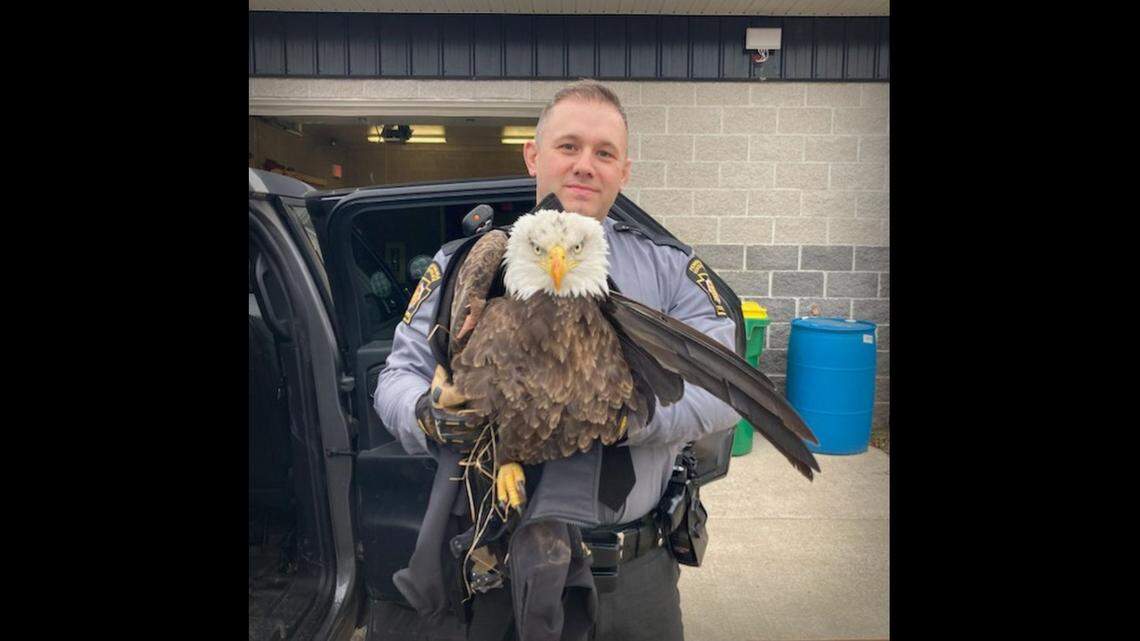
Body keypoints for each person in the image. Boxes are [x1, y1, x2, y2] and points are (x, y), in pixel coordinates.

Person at [374, 80, 740, 641]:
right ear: (533, 155)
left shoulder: (671, 270)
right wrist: (427, 415)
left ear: (624, 171)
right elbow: (396, 376)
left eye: (604, 153)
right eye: (568, 146)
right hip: (494, 561)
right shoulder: (463, 262)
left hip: (631, 571)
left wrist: (630, 417)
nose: (584, 165)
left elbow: (723, 392)